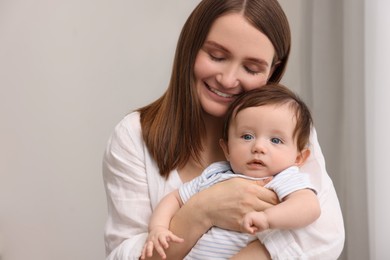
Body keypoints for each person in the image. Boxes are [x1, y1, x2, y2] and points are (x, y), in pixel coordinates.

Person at [102, 0, 345, 259]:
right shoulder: (134, 136)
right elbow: (125, 254)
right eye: (217, 56)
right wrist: (202, 210)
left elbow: (326, 235)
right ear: (190, 47)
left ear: (272, 71)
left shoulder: (286, 130)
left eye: (251, 68)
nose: (228, 80)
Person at [141, 84, 321, 259]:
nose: (258, 147)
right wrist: (158, 227)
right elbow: (175, 198)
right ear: (226, 148)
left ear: (298, 158)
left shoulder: (283, 178)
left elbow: (309, 207)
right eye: (247, 136)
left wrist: (267, 218)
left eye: (275, 140)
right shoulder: (215, 175)